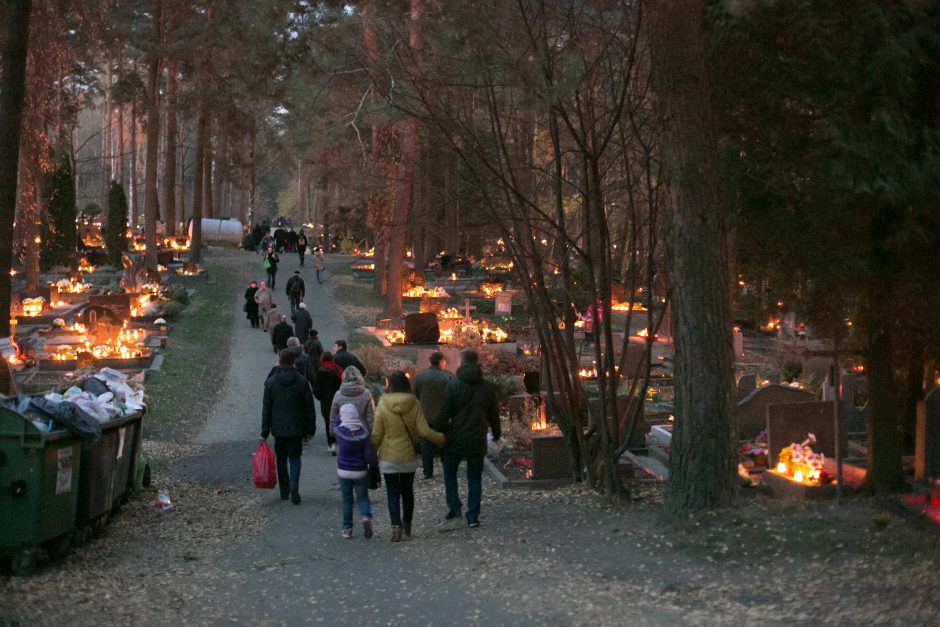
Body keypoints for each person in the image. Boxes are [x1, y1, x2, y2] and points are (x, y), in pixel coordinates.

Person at [371, 371, 445, 542]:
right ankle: (407, 524)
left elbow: (376, 435)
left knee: (392, 493)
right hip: (408, 457)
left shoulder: (382, 405)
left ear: (391, 385)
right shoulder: (414, 404)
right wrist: (441, 439)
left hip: (389, 458)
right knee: (407, 491)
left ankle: (395, 527)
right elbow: (424, 431)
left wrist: (370, 455)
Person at [437, 349, 501, 528]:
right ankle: (473, 515)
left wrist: (440, 431)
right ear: (477, 361)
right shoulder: (487, 387)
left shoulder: (453, 385)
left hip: (455, 436)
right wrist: (496, 434)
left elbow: (445, 413)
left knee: (449, 472)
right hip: (477, 436)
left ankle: (455, 506)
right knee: (474, 477)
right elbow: (494, 414)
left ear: (462, 362)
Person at [260, 349, 316, 504]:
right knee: (295, 458)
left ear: (279, 361)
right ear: (294, 362)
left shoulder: (271, 382)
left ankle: (284, 490)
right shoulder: (302, 381)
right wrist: (310, 429)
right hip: (296, 427)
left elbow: (267, 409)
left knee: (281, 458)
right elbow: (309, 407)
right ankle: (294, 486)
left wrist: (264, 432)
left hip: (278, 428)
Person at [335, 403, 377, 539]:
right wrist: (373, 464)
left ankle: (347, 528)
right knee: (363, 497)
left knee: (347, 500)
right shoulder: (363, 434)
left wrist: (339, 418)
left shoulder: (339, 433)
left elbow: (334, 425)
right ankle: (365, 516)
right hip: (360, 470)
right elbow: (369, 455)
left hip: (343, 470)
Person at [413, 351, 454, 479]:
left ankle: (427, 471)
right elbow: (451, 396)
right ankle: (447, 468)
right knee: (444, 443)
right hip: (442, 416)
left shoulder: (420, 376)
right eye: (444, 362)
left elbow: (416, 395)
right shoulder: (446, 377)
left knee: (426, 445)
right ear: (441, 362)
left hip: (425, 415)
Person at [329, 366, 375, 438]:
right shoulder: (367, 394)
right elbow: (371, 417)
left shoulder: (338, 395)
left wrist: (332, 432)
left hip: (343, 434)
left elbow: (334, 416)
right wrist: (373, 434)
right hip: (363, 434)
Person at [313, 352, 343, 453]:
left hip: (326, 401)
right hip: (338, 399)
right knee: (339, 420)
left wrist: (321, 397)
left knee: (328, 422)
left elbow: (316, 389)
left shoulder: (320, 372)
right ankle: (338, 442)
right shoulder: (337, 370)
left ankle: (331, 444)